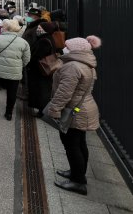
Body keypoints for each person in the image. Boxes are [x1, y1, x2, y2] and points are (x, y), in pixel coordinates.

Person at [46, 36, 101, 196]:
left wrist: (54, 110)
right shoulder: (87, 64)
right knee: (79, 143)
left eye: (67, 46)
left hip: (75, 111)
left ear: (74, 50)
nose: (64, 48)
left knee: (71, 145)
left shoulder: (73, 66)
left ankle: (78, 181)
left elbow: (64, 92)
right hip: (84, 108)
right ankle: (77, 174)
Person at [0, 19, 30, 120]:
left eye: (3, 26)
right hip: (15, 72)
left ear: (6, 28)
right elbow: (26, 59)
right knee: (12, 93)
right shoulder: (23, 42)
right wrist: (19, 66)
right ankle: (8, 113)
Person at [26, 22, 57, 117]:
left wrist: (30, 61)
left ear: (45, 30)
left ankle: (42, 111)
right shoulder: (48, 38)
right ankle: (42, 110)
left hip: (40, 71)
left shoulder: (44, 41)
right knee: (42, 90)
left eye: (40, 28)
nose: (38, 29)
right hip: (42, 71)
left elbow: (38, 56)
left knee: (41, 90)